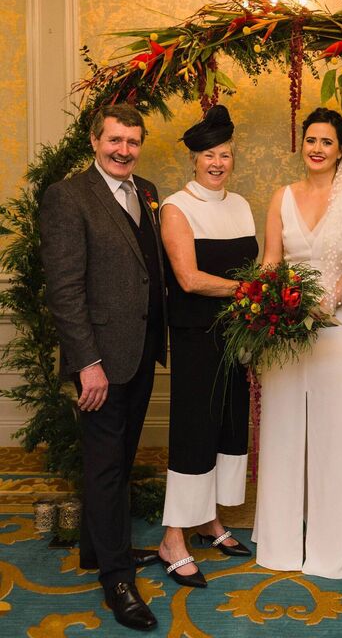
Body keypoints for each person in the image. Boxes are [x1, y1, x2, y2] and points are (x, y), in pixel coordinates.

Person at [40, 102, 167, 632]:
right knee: (106, 466)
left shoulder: (147, 191)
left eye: (132, 141)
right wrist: (87, 363)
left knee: (119, 458)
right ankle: (117, 580)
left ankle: (97, 549)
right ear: (95, 141)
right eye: (114, 140)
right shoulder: (68, 196)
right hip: (99, 360)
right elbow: (64, 290)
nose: (123, 150)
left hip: (139, 351)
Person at [252, 107, 342, 578]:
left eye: (326, 141)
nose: (317, 149)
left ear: (341, 150)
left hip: (338, 325)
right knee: (281, 430)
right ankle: (280, 542)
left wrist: (326, 304)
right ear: (301, 145)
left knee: (335, 434)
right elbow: (271, 261)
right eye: (311, 140)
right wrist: (263, 309)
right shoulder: (282, 196)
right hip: (286, 327)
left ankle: (333, 545)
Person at [158, 104, 258, 589]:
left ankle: (208, 519)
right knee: (195, 432)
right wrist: (251, 293)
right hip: (196, 337)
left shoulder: (241, 205)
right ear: (194, 159)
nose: (217, 163)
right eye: (209, 155)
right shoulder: (175, 207)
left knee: (227, 427)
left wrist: (256, 306)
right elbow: (189, 279)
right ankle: (172, 537)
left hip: (237, 336)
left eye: (225, 154)